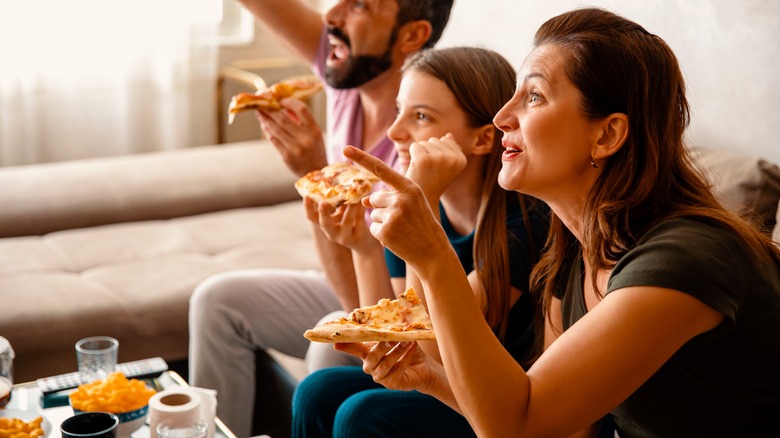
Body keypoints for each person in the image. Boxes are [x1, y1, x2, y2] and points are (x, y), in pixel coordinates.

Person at [337, 7, 780, 437]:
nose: (501, 117)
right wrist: (430, 378)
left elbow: (519, 426)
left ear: (606, 135)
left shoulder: (683, 259)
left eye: (533, 96)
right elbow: (556, 425)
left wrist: (434, 254)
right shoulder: (573, 257)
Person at [188, 1, 454, 437]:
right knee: (215, 300)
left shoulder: (421, 152)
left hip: (382, 300)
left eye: (360, 6)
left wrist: (315, 176)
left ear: (411, 36)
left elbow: (371, 310)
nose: (332, 15)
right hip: (346, 277)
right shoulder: (347, 70)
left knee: (327, 354)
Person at [292, 46, 550, 437]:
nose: (394, 132)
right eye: (399, 110)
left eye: (421, 116)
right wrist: (363, 247)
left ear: (483, 140)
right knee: (317, 389)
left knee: (362, 415)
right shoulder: (415, 204)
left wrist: (421, 204)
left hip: (492, 406)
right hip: (437, 382)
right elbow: (394, 334)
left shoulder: (524, 227)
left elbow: (429, 353)